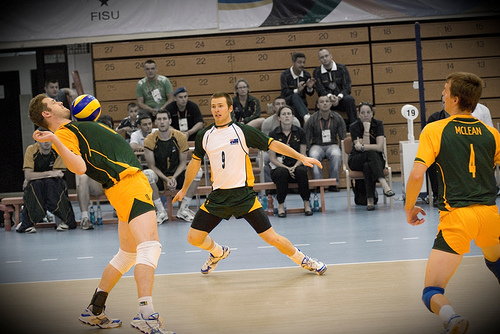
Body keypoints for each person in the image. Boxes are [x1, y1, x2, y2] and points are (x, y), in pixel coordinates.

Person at [28, 94, 174, 334]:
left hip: (122, 187)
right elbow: (79, 167)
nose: (61, 103)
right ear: (46, 113)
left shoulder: (73, 128)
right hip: (128, 184)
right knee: (150, 247)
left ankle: (95, 310)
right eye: (54, 103)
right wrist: (54, 138)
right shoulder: (63, 134)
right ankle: (146, 315)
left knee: (127, 255)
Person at [173, 92, 327, 276]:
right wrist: (183, 189)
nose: (216, 110)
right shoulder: (204, 135)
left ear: (230, 108)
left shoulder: (242, 131)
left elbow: (273, 145)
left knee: (272, 237)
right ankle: (217, 252)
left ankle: (305, 261)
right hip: (218, 197)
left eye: (220, 106)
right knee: (193, 238)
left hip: (243, 196)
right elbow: (195, 162)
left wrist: (301, 156)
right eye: (213, 106)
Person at [405, 72, 500, 334]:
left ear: (456, 99)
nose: (442, 95)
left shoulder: (436, 129)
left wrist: (408, 207)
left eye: (445, 90)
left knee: (432, 291)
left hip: (457, 218)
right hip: (490, 215)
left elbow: (416, 174)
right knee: (496, 260)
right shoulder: (492, 133)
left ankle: (452, 318)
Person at [143, 110, 200, 223]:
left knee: (198, 171)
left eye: (164, 119)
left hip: (177, 175)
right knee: (147, 174)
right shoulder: (149, 139)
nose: (162, 122)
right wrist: (166, 179)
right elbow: (151, 165)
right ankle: (160, 212)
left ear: (169, 121)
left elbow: (183, 163)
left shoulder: (180, 137)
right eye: (159, 119)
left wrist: (173, 177)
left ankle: (183, 209)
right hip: (159, 177)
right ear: (155, 122)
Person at [16, 127, 77, 233]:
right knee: (35, 185)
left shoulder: (58, 150)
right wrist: (49, 173)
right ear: (38, 141)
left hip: (53, 182)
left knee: (52, 184)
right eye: (43, 139)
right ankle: (28, 224)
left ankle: (65, 221)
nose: (46, 143)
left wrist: (35, 176)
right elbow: (28, 175)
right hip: (36, 183)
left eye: (49, 139)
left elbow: (58, 174)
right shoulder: (31, 150)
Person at [348, 102, 394, 211]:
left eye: (368, 112)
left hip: (376, 159)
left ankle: (370, 200)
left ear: (372, 113)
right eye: (362, 113)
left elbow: (379, 147)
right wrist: (366, 130)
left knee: (368, 164)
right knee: (370, 154)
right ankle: (384, 184)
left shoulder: (378, 124)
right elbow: (360, 150)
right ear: (359, 115)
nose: (365, 115)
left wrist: (363, 146)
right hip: (356, 159)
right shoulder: (354, 126)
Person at [269, 105, 313, 217]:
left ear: (293, 117)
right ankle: (280, 206)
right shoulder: (273, 134)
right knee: (281, 173)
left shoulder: (300, 132)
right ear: (278, 118)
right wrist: (287, 168)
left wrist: (293, 167)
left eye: (289, 114)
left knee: (302, 171)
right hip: (280, 167)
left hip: (296, 165)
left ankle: (306, 204)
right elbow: (272, 158)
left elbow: (302, 155)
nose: (286, 116)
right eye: (283, 114)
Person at [77, 116, 115, 231]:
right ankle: (85, 218)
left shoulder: (117, 142)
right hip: (98, 183)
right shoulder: (89, 144)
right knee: (83, 178)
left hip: (114, 182)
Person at [304, 95, 346, 192]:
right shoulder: (312, 119)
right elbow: (306, 138)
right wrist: (308, 150)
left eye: (327, 101)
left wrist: (341, 148)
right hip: (317, 145)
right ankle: (319, 184)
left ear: (331, 104)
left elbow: (343, 136)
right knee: (313, 156)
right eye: (322, 102)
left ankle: (333, 183)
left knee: (336, 154)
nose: (325, 103)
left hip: (332, 144)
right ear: (318, 105)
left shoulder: (337, 118)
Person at [313, 48, 357, 128]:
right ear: (319, 60)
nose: (325, 58)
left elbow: (347, 87)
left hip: (341, 99)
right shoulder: (317, 72)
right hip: (327, 100)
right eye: (322, 57)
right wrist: (329, 97)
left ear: (331, 56)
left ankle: (354, 127)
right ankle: (319, 129)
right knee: (319, 103)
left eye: (326, 56)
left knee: (349, 99)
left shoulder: (342, 68)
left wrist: (339, 97)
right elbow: (320, 90)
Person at [260, 96, 300, 182]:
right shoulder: (267, 123)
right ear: (274, 107)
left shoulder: (295, 121)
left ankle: (295, 183)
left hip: (291, 149)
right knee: (261, 159)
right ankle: (270, 186)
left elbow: (298, 140)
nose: (280, 106)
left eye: (283, 103)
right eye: (278, 104)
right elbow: (264, 143)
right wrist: (274, 154)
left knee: (304, 158)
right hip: (272, 151)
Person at [280, 52, 315, 125]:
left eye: (303, 62)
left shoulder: (306, 75)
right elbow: (284, 92)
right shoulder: (285, 75)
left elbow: (310, 94)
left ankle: (305, 118)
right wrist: (297, 90)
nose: (302, 65)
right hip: (288, 102)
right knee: (295, 96)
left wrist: (309, 88)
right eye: (299, 62)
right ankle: (307, 116)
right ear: (293, 62)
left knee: (297, 108)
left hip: (302, 103)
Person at [426, 95, 449, 207]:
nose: (446, 105)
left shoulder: (461, 119)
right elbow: (428, 139)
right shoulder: (434, 119)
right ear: (441, 104)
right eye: (444, 103)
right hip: (438, 151)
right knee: (431, 162)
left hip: (458, 152)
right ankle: (437, 195)